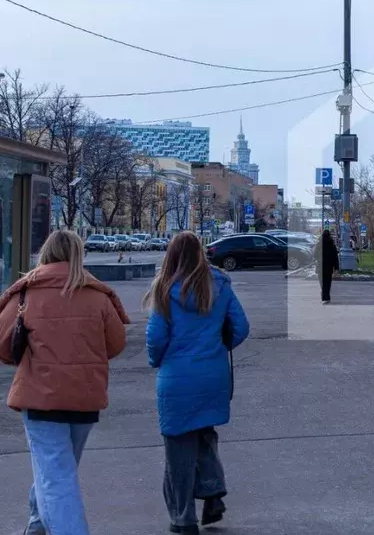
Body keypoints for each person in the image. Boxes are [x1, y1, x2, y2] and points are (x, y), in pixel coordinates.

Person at [0, 229, 130, 535]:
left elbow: (3, 343)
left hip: (40, 398)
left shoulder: (26, 292)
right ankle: (36, 523)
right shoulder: (97, 294)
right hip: (85, 398)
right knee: (59, 470)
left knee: (56, 474)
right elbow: (115, 343)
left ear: (46, 253)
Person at [145, 231, 250, 535]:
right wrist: (218, 347)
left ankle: (183, 518)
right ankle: (213, 493)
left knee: (178, 449)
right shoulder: (220, 283)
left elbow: (155, 338)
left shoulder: (165, 289)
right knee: (204, 435)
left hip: (177, 378)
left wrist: (158, 361)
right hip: (213, 374)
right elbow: (241, 327)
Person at [314, 230, 340, 305]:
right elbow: (335, 257)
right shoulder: (332, 244)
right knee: (328, 283)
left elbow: (315, 255)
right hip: (329, 268)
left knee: (322, 283)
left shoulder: (319, 244)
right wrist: (336, 268)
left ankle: (323, 297)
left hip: (320, 267)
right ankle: (327, 297)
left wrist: (319, 258)